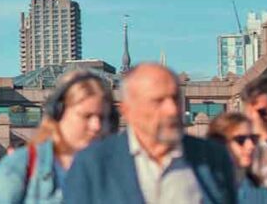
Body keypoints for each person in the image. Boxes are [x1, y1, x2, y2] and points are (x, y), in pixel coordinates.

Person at [64, 63, 237, 204]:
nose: (172, 110)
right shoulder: (93, 164)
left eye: (175, 98)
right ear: (127, 110)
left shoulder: (212, 157)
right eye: (158, 101)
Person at [0, 70, 116, 203]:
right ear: (58, 113)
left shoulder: (114, 171)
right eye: (86, 116)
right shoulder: (18, 167)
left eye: (102, 117)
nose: (96, 126)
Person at [206, 112, 267, 204]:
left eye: (253, 138)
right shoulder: (200, 189)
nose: (250, 146)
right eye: (241, 140)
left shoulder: (263, 193)